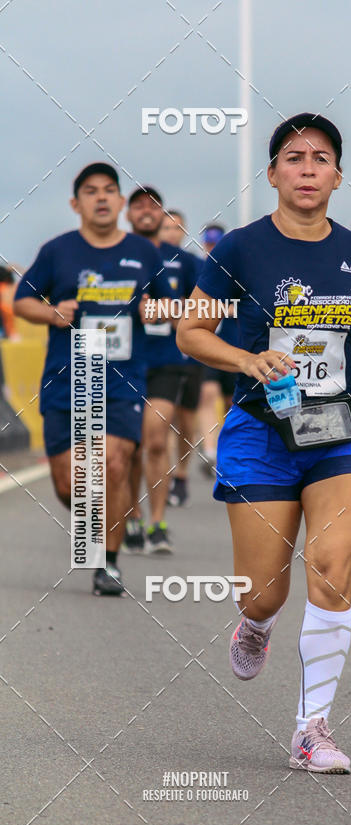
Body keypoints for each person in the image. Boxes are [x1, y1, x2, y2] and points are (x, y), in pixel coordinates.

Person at [178, 113, 351, 773]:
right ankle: (255, 626)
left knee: (333, 562)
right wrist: (244, 360)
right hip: (261, 430)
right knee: (263, 592)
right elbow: (192, 332)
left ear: (337, 176)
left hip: (338, 430)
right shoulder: (240, 251)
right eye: (293, 157)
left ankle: (311, 728)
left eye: (320, 158)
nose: (307, 168)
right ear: (274, 174)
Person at [13, 163, 169, 595]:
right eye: (90, 191)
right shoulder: (57, 252)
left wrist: (153, 310)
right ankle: (96, 526)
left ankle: (110, 564)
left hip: (122, 379)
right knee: (72, 486)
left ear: (120, 202)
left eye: (108, 191)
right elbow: (23, 301)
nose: (101, 198)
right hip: (66, 380)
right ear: (75, 203)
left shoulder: (145, 253)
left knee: (114, 464)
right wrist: (52, 313)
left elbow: (170, 306)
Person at [124, 187, 199, 553]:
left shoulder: (180, 261)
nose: (147, 212)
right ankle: (132, 517)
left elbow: (198, 308)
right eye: (138, 205)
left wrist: (168, 310)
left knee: (155, 440)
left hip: (167, 361)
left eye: (154, 206)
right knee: (130, 447)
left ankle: (158, 525)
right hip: (123, 362)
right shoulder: (116, 255)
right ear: (128, 214)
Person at [193, 223, 235, 480]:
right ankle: (210, 451)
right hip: (206, 344)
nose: (211, 250)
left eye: (215, 245)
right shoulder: (198, 270)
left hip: (233, 344)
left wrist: (227, 311)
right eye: (208, 245)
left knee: (232, 402)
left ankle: (230, 448)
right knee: (207, 394)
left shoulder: (236, 270)